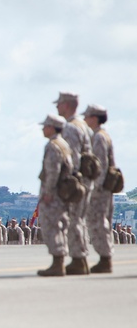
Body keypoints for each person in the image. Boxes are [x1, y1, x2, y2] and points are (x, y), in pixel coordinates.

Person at [54, 92, 94, 274]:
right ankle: (81, 259)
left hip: (75, 182)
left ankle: (78, 260)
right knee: (79, 220)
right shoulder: (83, 126)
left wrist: (67, 182)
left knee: (74, 221)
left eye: (59, 104)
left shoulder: (70, 127)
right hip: (85, 179)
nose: (57, 107)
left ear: (67, 105)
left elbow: (72, 158)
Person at [37, 115, 72, 276]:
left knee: (52, 226)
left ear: (52, 127)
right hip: (63, 192)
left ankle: (57, 263)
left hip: (54, 193)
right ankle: (59, 261)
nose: (43, 128)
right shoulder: (64, 144)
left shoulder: (53, 145)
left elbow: (53, 171)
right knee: (61, 226)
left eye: (45, 126)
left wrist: (48, 192)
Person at [83, 104, 116, 273]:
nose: (84, 119)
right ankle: (105, 258)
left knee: (98, 222)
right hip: (103, 188)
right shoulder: (101, 136)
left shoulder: (99, 138)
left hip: (100, 189)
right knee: (100, 222)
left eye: (87, 116)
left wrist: (95, 189)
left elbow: (100, 167)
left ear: (94, 118)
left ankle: (105, 258)